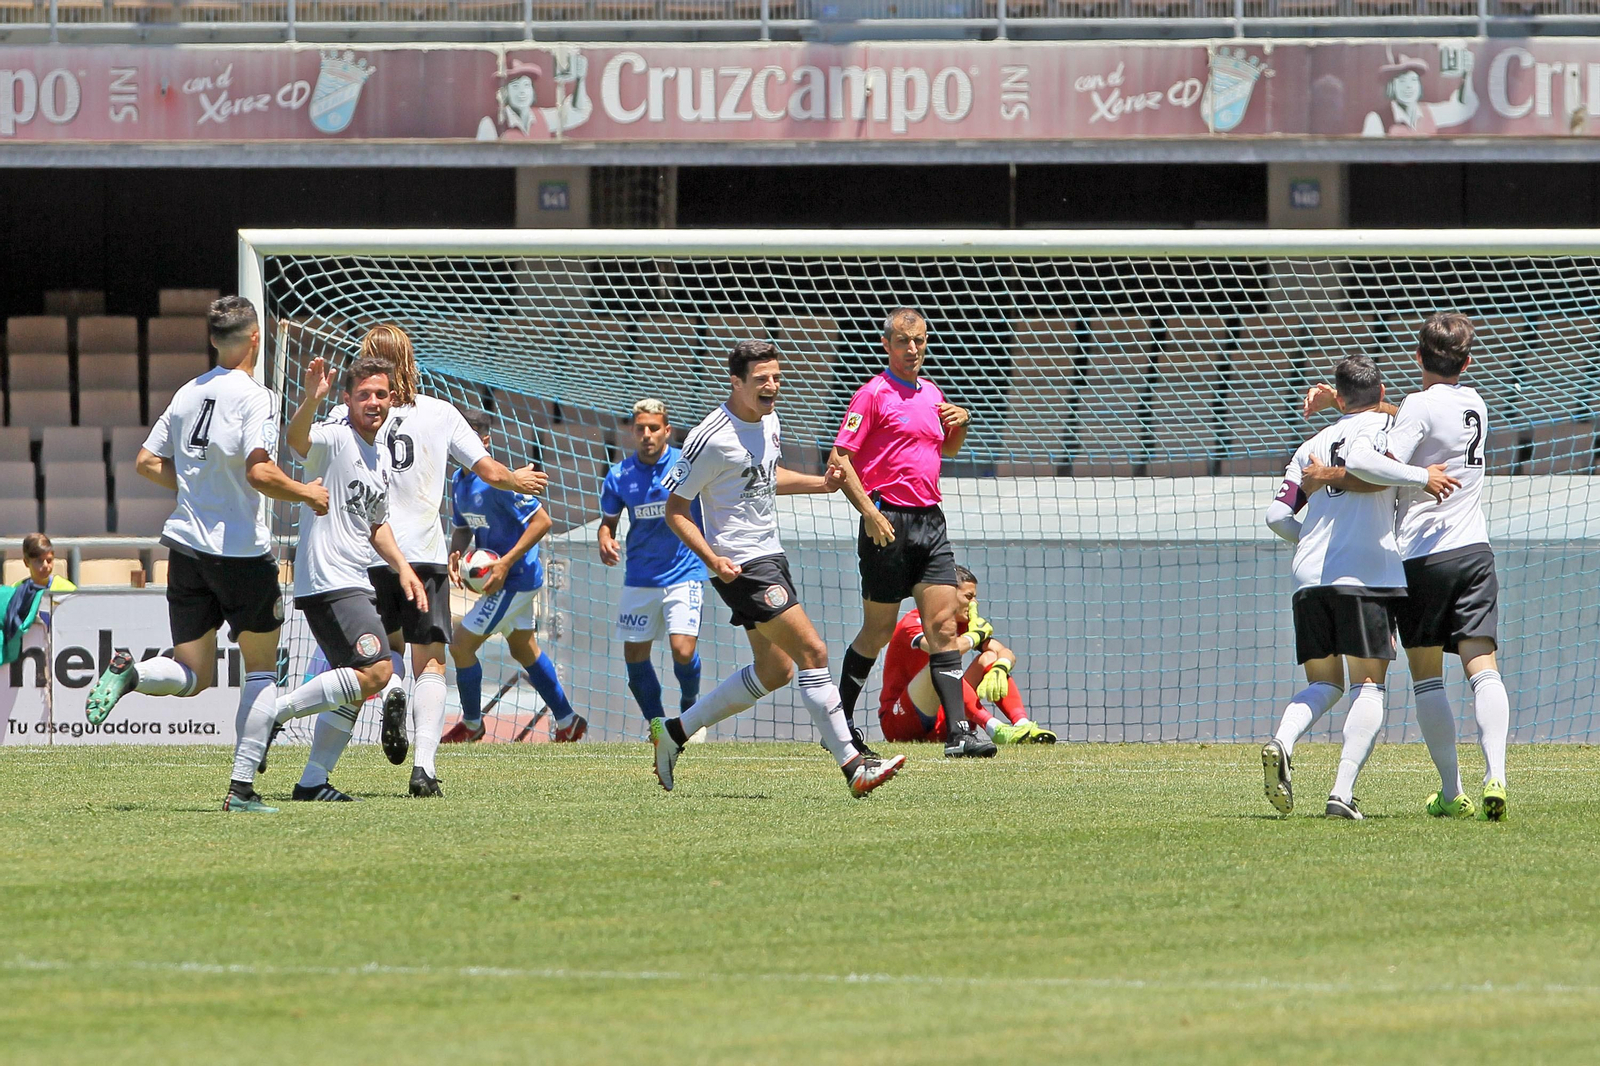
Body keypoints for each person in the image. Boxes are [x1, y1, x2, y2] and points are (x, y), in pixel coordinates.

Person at [81, 296, 329, 814]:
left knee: (194, 675)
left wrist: (195, 489)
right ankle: (241, 790)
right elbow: (260, 473)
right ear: (256, 338)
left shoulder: (188, 393)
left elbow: (147, 462)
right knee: (262, 672)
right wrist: (308, 494)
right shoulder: (256, 397)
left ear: (215, 340)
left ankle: (133, 674)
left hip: (187, 549)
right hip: (239, 552)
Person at [651, 340, 905, 798]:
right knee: (813, 652)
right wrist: (712, 559)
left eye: (776, 378)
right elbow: (676, 509)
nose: (772, 387)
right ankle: (853, 764)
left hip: (771, 554)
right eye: (761, 380)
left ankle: (673, 732)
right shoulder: (710, 437)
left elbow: (767, 477)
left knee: (774, 671)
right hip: (741, 564)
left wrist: (820, 484)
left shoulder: (770, 420)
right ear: (736, 382)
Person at [1300, 312, 1511, 821]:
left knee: (1427, 677)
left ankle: (1451, 789)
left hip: (1423, 555)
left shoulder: (1417, 404)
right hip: (1475, 552)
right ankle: (1497, 775)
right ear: (1467, 360)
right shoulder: (1474, 401)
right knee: (1483, 668)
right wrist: (1346, 402)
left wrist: (1327, 474)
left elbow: (1376, 470)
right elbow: (1416, 414)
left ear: (1417, 357)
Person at [323, 325, 547, 794]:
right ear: (410, 360)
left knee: (376, 660)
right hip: (423, 557)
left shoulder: (351, 413)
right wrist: (518, 479)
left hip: (365, 556)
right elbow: (487, 469)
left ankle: (388, 693)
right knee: (432, 664)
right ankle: (423, 769)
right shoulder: (440, 414)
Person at [1261, 355, 1458, 820]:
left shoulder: (1310, 446)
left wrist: (1308, 537)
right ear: (1383, 389)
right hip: (1367, 574)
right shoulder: (1388, 433)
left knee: (1324, 684)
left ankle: (1282, 740)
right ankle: (1341, 793)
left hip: (1309, 577)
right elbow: (1380, 443)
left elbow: (1275, 516)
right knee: (1369, 685)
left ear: (1339, 394)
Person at [229, 356, 427, 808]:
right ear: (347, 400)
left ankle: (313, 781)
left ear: (392, 399)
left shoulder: (379, 458)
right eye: (363, 395)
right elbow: (297, 440)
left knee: (355, 687)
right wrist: (310, 399)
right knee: (379, 670)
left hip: (356, 578)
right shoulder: (336, 438)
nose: (373, 402)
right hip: (327, 579)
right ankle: (277, 712)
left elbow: (377, 525)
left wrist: (404, 568)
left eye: (380, 394)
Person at [827, 307, 993, 759]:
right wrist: (869, 514)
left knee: (942, 625)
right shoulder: (872, 395)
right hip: (887, 523)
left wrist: (960, 422)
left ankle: (959, 734)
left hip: (930, 522)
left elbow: (946, 447)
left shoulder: (932, 392)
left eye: (918, 341)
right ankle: (837, 727)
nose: (912, 349)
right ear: (887, 345)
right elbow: (839, 462)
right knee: (876, 632)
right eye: (903, 341)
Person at [436, 409, 584, 775]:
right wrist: (457, 550)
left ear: (483, 442)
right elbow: (461, 526)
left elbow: (543, 521)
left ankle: (472, 726)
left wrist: (504, 563)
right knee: (524, 649)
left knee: (460, 645)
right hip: (502, 580)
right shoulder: (459, 480)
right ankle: (568, 721)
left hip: (515, 578)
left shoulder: (499, 480)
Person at [598, 398, 707, 726]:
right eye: (641, 428)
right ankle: (659, 728)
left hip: (684, 572)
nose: (647, 434)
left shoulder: (686, 466)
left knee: (683, 652)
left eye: (654, 428)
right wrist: (605, 538)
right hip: (640, 576)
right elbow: (609, 521)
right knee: (634, 657)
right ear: (633, 431)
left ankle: (691, 708)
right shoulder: (619, 475)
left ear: (667, 431)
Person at [877, 565, 1056, 746]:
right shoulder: (914, 622)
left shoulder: (964, 623)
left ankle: (1023, 726)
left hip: (944, 722)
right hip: (900, 722)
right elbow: (941, 650)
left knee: (990, 658)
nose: (974, 604)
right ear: (946, 595)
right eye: (969, 597)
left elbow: (1005, 652)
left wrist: (1001, 667)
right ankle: (994, 728)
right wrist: (974, 636)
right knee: (939, 663)